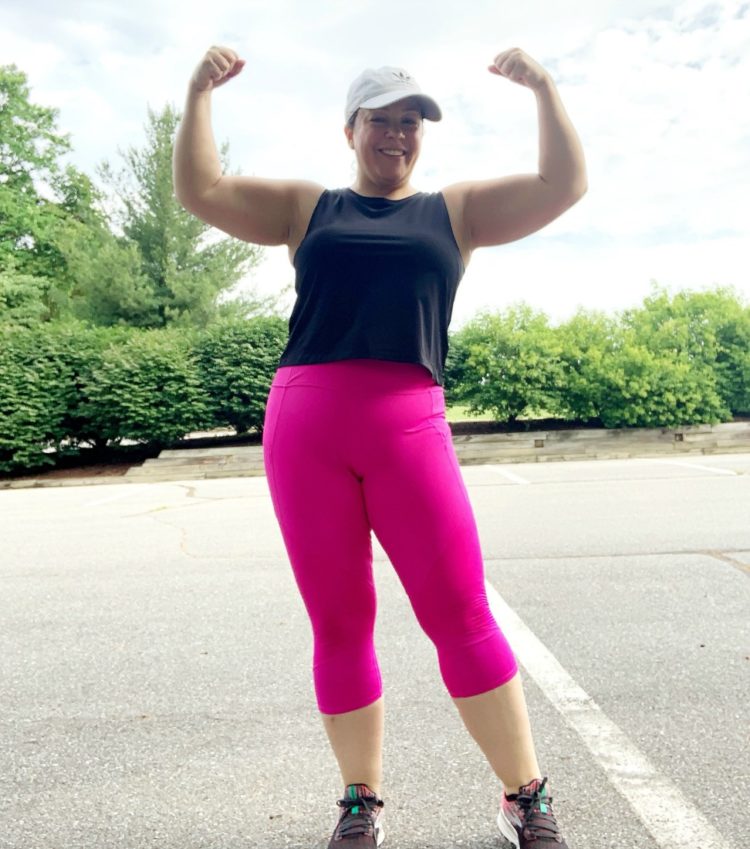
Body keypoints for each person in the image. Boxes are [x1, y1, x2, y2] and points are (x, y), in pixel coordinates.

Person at [174, 44, 587, 849]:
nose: (397, 135)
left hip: (408, 424)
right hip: (307, 421)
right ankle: (360, 801)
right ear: (350, 129)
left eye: (411, 122)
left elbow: (560, 185)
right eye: (382, 120)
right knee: (339, 619)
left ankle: (523, 795)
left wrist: (542, 87)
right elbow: (203, 189)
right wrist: (197, 94)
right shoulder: (307, 207)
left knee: (460, 611)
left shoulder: (454, 212)